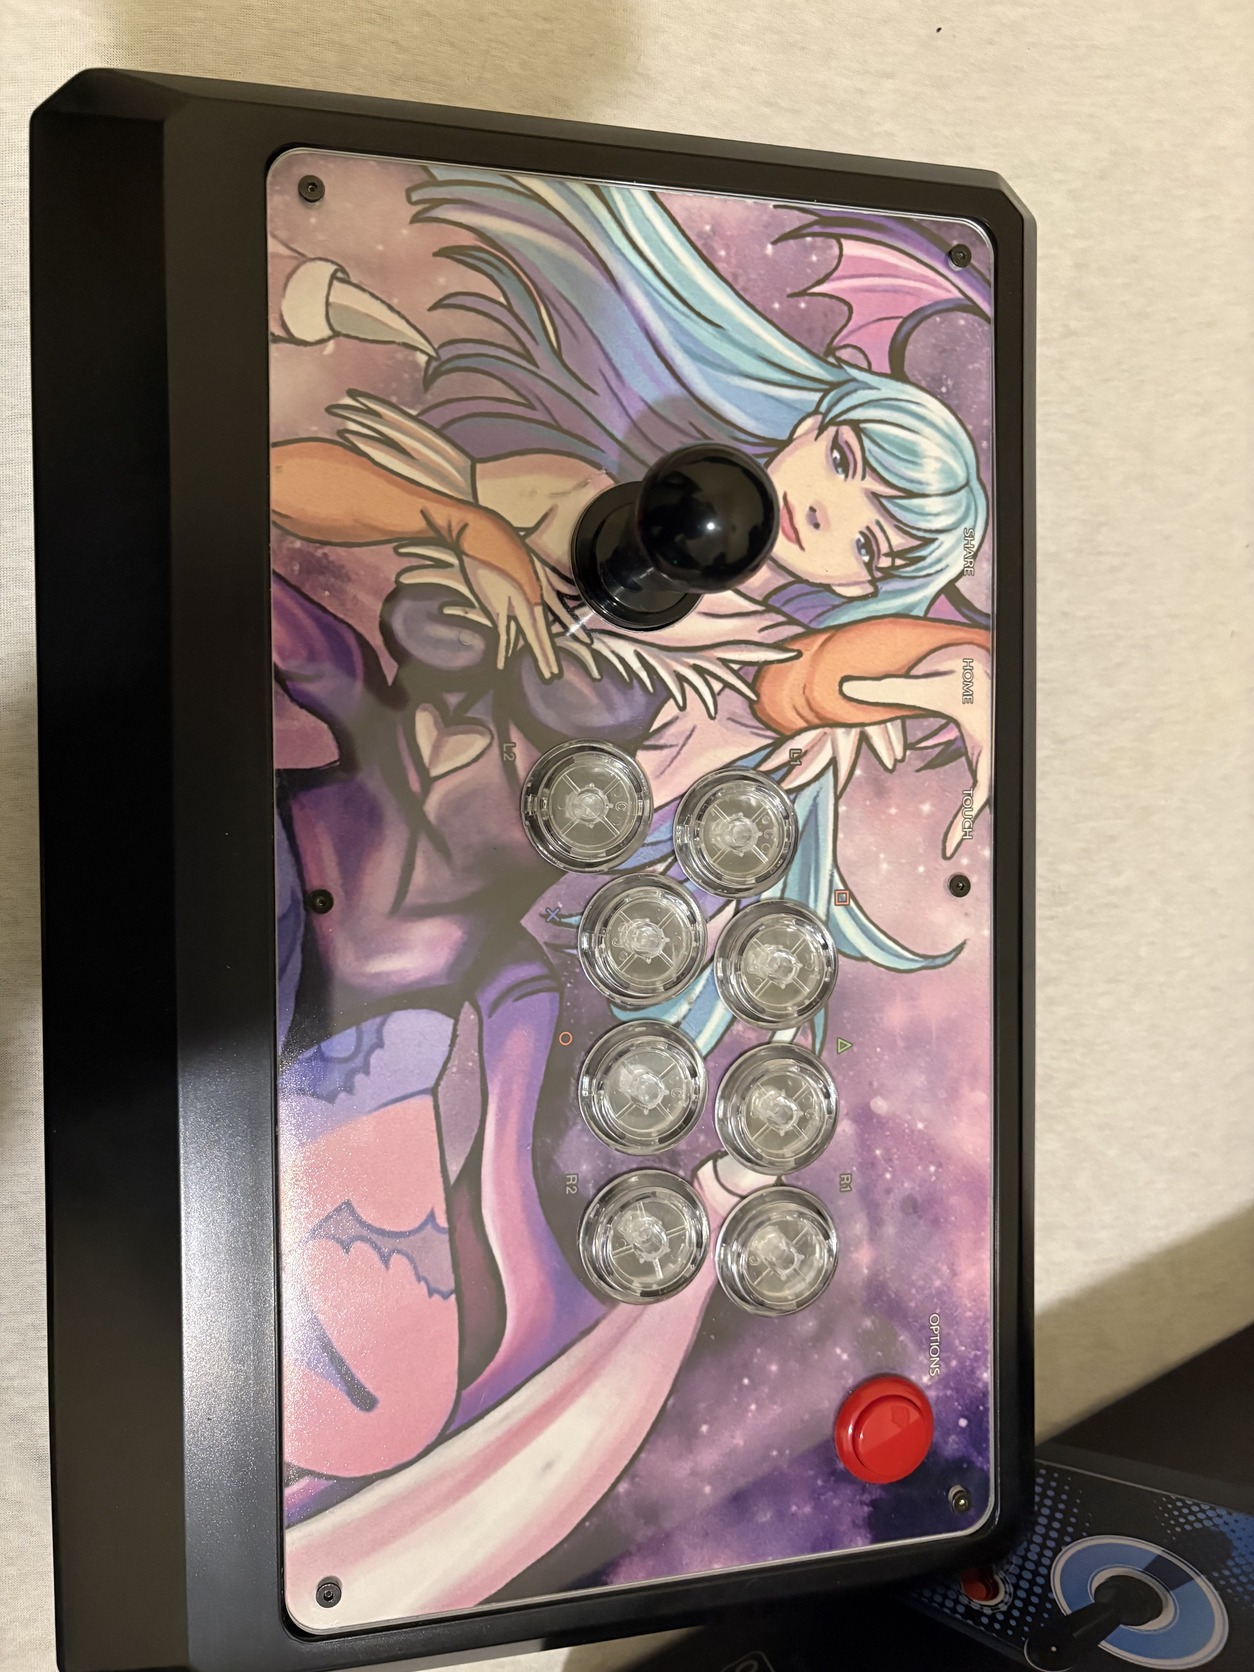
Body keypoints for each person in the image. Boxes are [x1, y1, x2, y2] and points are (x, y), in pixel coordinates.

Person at [270, 171, 993, 1616]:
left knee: (377, 1400)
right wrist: (463, 529)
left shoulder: (761, 672)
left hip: (441, 993)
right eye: (847, 458)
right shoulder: (564, 501)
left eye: (867, 539)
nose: (825, 510)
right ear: (809, 416)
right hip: (316, 862)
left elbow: (839, 671)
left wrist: (956, 674)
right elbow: (283, 481)